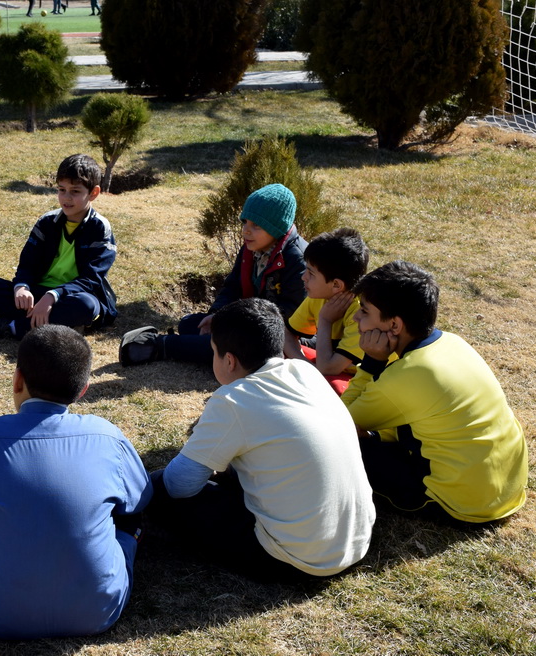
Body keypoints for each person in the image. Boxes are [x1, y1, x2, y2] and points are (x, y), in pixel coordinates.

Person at [0, 325, 152, 639]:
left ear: (17, 379)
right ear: (83, 389)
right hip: (98, 612)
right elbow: (140, 499)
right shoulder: (107, 435)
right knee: (127, 522)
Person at [149, 298, 375, 582]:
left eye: (214, 352)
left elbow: (179, 486)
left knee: (157, 488)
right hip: (356, 544)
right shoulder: (307, 372)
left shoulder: (233, 400)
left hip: (296, 560)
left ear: (229, 360)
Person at [342, 261, 528, 525]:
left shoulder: (405, 374)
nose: (355, 318)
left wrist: (371, 363)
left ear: (394, 325)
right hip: (505, 490)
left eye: (364, 311)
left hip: (460, 505)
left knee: (344, 446)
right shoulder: (454, 342)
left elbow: (339, 421)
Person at [120, 183, 307, 367]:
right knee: (190, 323)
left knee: (232, 344)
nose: (245, 230)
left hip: (282, 336)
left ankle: (159, 346)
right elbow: (233, 287)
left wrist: (234, 320)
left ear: (276, 227)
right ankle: (191, 343)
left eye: (256, 225)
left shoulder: (296, 259)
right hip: (249, 321)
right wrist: (217, 314)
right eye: (244, 222)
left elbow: (289, 313)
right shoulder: (251, 247)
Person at [0, 154, 117, 339]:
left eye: (75, 191)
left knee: (86, 306)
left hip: (72, 297)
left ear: (93, 193)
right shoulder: (47, 222)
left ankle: (13, 326)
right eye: (62, 189)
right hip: (37, 295)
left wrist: (52, 296)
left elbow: (91, 279)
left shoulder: (100, 228)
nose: (66, 197)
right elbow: (27, 263)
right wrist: (21, 287)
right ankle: (58, 323)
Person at [282, 227, 371, 395]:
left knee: (333, 389)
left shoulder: (361, 312)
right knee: (273, 355)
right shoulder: (319, 295)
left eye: (311, 273)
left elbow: (329, 368)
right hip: (326, 365)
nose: (303, 277)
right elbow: (286, 334)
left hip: (357, 377)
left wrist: (325, 320)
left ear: (336, 285)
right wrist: (306, 365)